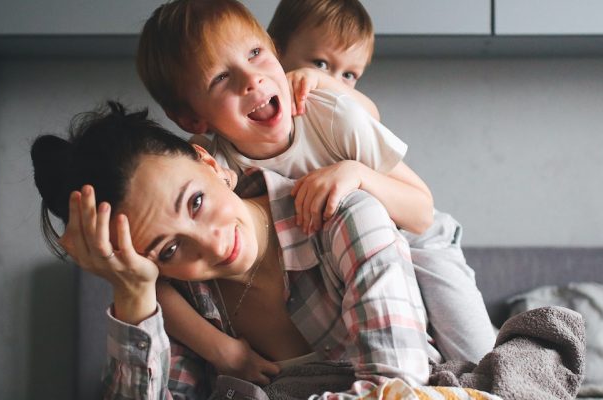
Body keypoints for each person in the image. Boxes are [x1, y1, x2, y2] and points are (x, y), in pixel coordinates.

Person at [137, 0, 496, 381]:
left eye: (255, 54)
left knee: (482, 359)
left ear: (273, 52)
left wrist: (356, 175)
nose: (251, 80)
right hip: (342, 261)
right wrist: (223, 351)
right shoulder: (211, 168)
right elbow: (155, 284)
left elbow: (422, 212)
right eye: (221, 78)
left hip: (418, 237)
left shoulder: (331, 115)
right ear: (193, 117)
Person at [31, 102, 439, 399]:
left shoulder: (342, 218)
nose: (212, 244)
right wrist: (135, 294)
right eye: (170, 249)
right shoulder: (182, 302)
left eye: (195, 203)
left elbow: (398, 387)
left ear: (209, 163)